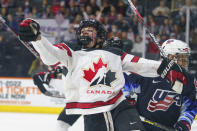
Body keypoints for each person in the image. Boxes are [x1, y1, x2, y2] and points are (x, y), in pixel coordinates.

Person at [18, 18, 188, 131]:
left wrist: (167, 68)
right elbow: (50, 56)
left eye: (89, 30)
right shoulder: (71, 51)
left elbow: (140, 64)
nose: (85, 33)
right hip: (94, 111)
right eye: (82, 31)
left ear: (99, 36)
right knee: (62, 124)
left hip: (119, 106)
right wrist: (37, 39)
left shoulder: (112, 53)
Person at [122, 39, 197, 131]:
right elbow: (125, 86)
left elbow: (190, 106)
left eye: (186, 59)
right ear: (170, 57)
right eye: (182, 59)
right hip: (140, 127)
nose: (185, 64)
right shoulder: (148, 72)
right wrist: (129, 108)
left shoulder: (188, 81)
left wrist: (183, 124)